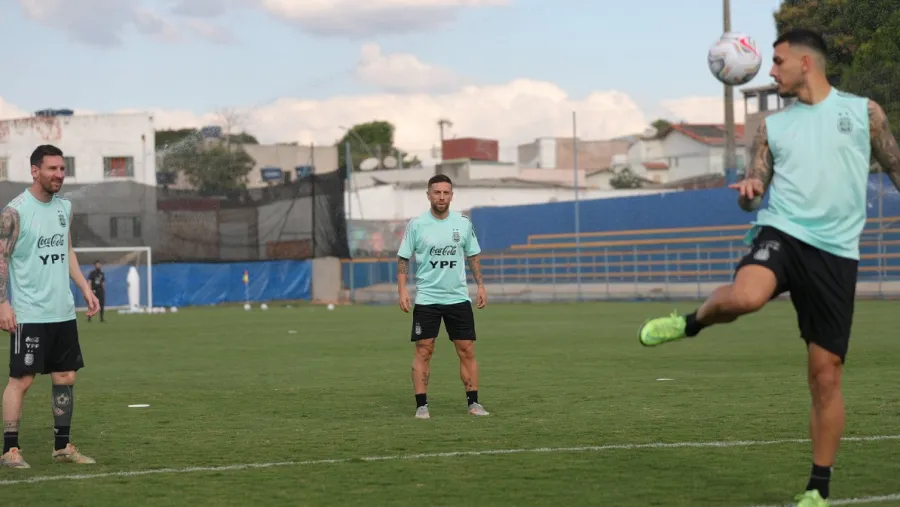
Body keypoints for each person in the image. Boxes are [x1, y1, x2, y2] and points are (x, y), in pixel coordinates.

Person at [637, 29, 900, 507]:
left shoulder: (863, 113)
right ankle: (690, 322)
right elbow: (755, 180)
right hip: (782, 233)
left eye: (777, 62)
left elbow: (897, 168)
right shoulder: (772, 128)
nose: (769, 70)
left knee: (826, 374)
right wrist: (750, 193)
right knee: (745, 296)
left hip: (837, 253)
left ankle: (817, 488)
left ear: (806, 63)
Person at [0, 144, 100, 468]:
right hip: (29, 312)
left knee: (66, 376)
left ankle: (61, 447)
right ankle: (10, 450)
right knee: (22, 379)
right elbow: (1, 258)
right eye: (52, 169)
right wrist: (2, 302)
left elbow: (66, 250)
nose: (59, 174)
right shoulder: (14, 212)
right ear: (34, 171)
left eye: (62, 168)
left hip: (62, 311)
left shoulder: (64, 208)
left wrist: (84, 288)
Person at [397, 174, 489, 420]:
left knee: (466, 349)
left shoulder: (463, 223)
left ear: (451, 195)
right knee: (424, 349)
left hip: (458, 298)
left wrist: (480, 286)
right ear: (428, 195)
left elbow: (473, 256)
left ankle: (474, 403)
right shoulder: (416, 225)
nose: (441, 196)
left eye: (446, 192)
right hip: (427, 298)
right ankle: (421, 406)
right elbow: (403, 258)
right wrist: (402, 290)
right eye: (436, 192)